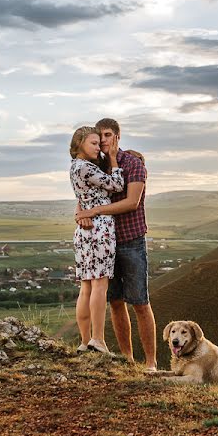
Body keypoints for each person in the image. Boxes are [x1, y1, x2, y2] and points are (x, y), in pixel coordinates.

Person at [75, 118, 157, 371]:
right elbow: (84, 195)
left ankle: (151, 363)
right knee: (115, 302)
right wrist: (82, 213)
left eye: (108, 135)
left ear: (118, 136)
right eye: (100, 137)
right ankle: (127, 360)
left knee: (140, 303)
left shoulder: (133, 164)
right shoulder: (94, 165)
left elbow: (131, 202)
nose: (104, 141)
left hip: (131, 240)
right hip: (104, 242)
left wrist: (95, 211)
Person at [69, 126, 124, 354]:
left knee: (86, 287)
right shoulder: (86, 167)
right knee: (99, 285)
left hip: (85, 231)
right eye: (93, 143)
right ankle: (98, 339)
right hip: (100, 228)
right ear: (80, 143)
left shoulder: (74, 167)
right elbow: (117, 185)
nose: (98, 147)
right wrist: (113, 159)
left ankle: (84, 341)